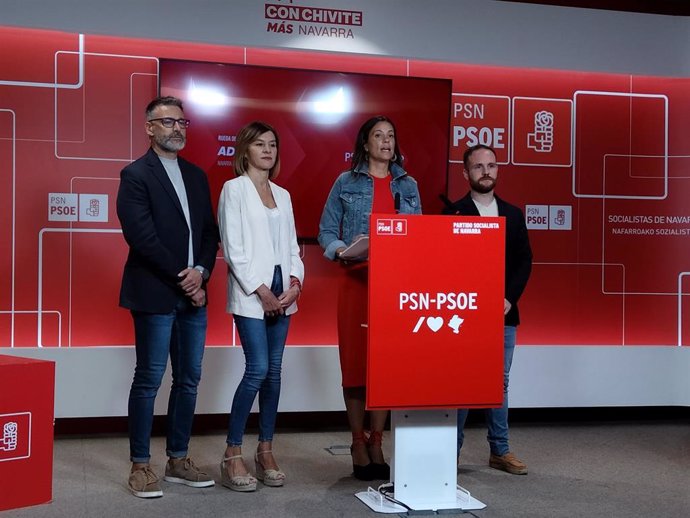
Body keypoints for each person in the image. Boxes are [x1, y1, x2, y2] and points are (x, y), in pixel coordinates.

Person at [117, 96, 219, 497]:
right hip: (156, 292)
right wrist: (187, 279)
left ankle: (178, 458)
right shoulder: (135, 175)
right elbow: (142, 238)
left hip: (194, 293)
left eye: (182, 122)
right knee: (149, 379)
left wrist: (203, 273)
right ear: (149, 128)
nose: (177, 128)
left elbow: (210, 234)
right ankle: (140, 466)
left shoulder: (196, 175)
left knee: (189, 379)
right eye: (168, 122)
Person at [318, 115, 422, 481]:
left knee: (386, 366)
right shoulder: (345, 182)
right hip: (355, 283)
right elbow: (326, 231)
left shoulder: (408, 185)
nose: (386, 141)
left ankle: (377, 439)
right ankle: (357, 442)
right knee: (357, 366)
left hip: (394, 287)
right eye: (378, 135)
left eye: (391, 135)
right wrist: (343, 250)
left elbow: (419, 233)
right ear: (365, 143)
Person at [217, 121, 304, 492]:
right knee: (257, 369)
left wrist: (297, 282)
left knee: (275, 373)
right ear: (245, 151)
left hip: (284, 291)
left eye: (272, 145)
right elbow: (233, 248)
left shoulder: (283, 194)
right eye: (259, 144)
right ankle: (231, 452)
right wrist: (260, 289)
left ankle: (265, 449)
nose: (267, 150)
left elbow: (292, 245)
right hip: (252, 292)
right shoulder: (233, 189)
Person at [443, 143, 533, 475]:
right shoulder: (453, 214)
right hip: (464, 315)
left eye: (491, 166)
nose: (486, 171)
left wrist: (509, 298)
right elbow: (445, 266)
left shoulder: (512, 213)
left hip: (503, 313)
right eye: (478, 166)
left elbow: (525, 261)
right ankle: (450, 452)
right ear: (466, 173)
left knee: (499, 382)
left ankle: (500, 450)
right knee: (464, 381)